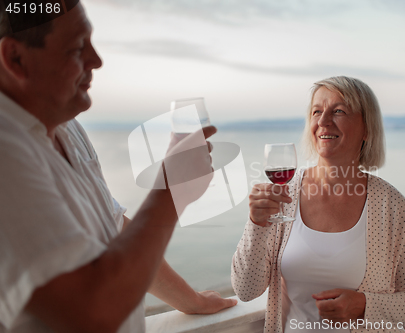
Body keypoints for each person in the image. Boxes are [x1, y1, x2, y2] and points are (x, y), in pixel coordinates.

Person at [0, 2, 236, 332]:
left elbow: (116, 234)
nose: (96, 60)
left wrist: (190, 300)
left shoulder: (67, 128)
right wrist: (171, 190)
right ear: (16, 59)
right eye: (77, 47)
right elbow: (94, 310)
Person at [231, 76, 405, 333]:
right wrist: (257, 223)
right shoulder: (282, 195)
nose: (323, 121)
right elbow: (246, 290)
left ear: (367, 128)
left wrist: (364, 305)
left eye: (338, 111)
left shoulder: (392, 207)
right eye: (316, 111)